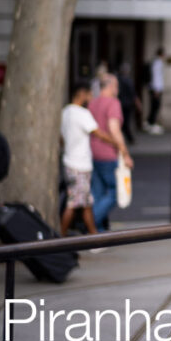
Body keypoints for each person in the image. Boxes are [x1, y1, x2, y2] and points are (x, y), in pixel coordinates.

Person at [61, 83, 117, 237]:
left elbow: (61, 138)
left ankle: (91, 236)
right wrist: (116, 142)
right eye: (89, 94)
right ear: (82, 94)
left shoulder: (65, 112)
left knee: (82, 201)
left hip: (69, 161)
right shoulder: (82, 113)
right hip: (80, 164)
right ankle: (79, 237)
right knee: (77, 204)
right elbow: (98, 133)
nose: (91, 98)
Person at [89, 74, 134, 231]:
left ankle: (98, 232)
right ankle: (90, 221)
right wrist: (125, 154)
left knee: (98, 193)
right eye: (116, 85)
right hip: (108, 154)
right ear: (110, 86)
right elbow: (114, 130)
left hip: (92, 153)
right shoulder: (113, 103)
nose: (118, 89)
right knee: (115, 192)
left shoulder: (92, 103)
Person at [117, 63, 139, 144]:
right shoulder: (128, 80)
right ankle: (129, 139)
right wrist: (137, 103)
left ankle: (127, 137)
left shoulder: (118, 79)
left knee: (123, 121)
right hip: (127, 104)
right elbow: (133, 93)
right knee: (125, 122)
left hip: (121, 103)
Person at [147, 48, 165, 134]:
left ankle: (150, 123)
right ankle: (151, 124)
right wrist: (156, 90)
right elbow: (156, 77)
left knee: (155, 106)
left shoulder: (156, 62)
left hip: (155, 88)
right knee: (155, 106)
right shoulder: (158, 63)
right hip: (156, 89)